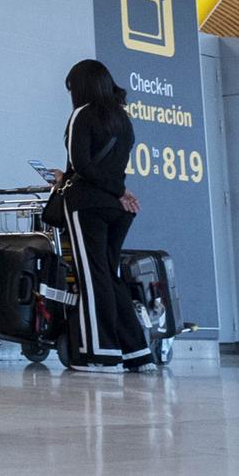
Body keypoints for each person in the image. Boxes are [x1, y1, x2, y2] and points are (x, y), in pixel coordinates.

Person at [58, 59, 151, 374]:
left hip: (87, 206)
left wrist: (68, 178)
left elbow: (80, 163)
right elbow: (115, 167)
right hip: (116, 208)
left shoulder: (82, 115)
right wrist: (119, 192)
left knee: (92, 277)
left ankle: (101, 353)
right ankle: (137, 352)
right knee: (111, 277)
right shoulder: (122, 119)